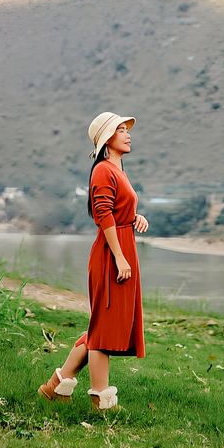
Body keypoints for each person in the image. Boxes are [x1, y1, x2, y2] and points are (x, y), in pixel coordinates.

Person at [38, 111, 148, 410]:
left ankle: (57, 384)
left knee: (105, 324)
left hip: (122, 247)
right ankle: (102, 400)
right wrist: (120, 257)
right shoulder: (103, 170)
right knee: (104, 329)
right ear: (107, 138)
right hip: (112, 254)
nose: (128, 134)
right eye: (121, 130)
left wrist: (134, 217)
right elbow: (103, 215)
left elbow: (116, 209)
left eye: (127, 130)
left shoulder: (117, 170)